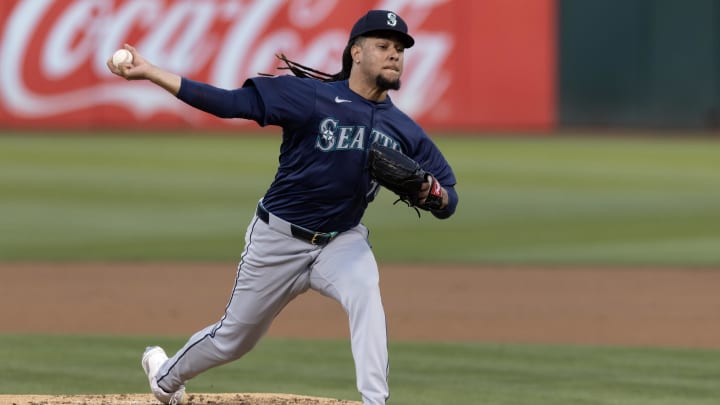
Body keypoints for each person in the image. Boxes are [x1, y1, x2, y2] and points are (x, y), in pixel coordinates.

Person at [107, 9, 458, 405]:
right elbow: (228, 103)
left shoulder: (405, 130)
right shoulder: (308, 97)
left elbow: (448, 196)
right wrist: (153, 72)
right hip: (278, 238)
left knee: (366, 295)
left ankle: (375, 401)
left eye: (399, 48)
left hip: (341, 242)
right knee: (233, 340)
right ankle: (164, 377)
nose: (394, 54)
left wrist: (434, 193)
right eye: (383, 46)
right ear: (356, 53)